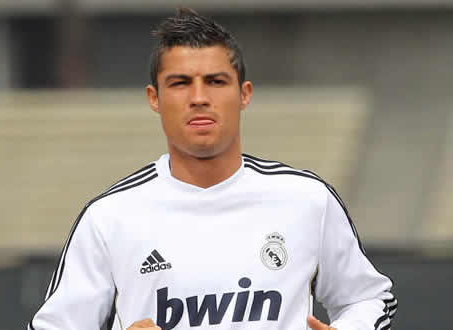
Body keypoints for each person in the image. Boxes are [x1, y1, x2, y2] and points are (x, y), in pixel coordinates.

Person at [28, 7, 397, 330]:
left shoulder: (306, 200)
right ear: (154, 98)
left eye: (216, 81)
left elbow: (368, 298)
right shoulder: (109, 218)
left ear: (244, 94)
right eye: (180, 83)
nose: (199, 97)